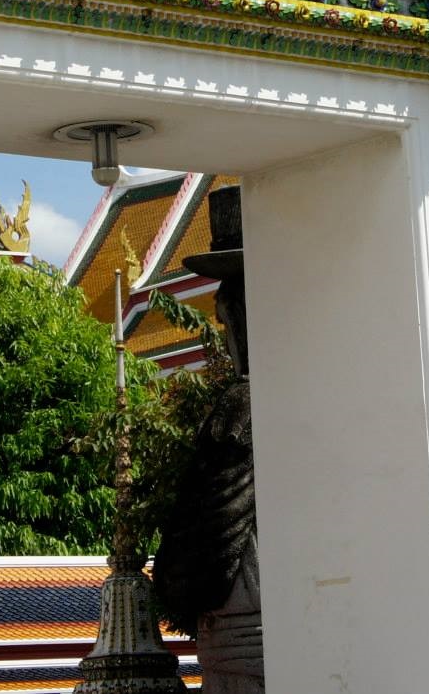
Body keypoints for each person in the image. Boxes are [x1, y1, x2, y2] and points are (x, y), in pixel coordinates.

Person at [151, 185, 262, 692]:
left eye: (227, 318)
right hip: (241, 611)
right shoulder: (247, 404)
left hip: (249, 613)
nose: (225, 330)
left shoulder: (246, 407)